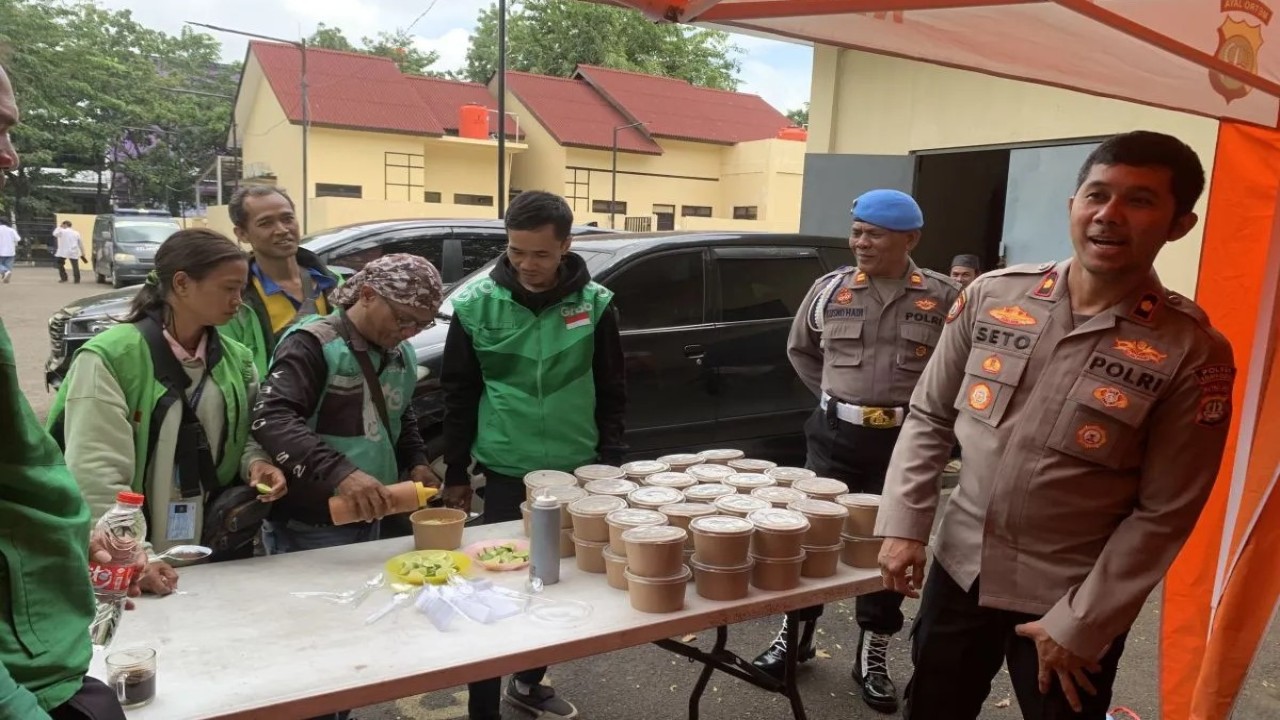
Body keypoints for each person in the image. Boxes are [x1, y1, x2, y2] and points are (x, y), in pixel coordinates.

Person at [877, 131, 1236, 720]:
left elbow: (1166, 509)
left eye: (1140, 201)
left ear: (1180, 224)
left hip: (1068, 597)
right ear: (1073, 205)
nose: (1109, 216)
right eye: (1096, 194)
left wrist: (1084, 621)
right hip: (959, 567)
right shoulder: (994, 297)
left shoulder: (1191, 349)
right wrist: (905, 524)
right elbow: (929, 415)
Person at [752, 188, 960, 714]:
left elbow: (961, 369)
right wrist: (838, 399)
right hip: (834, 436)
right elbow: (801, 350)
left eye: (874, 233)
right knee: (813, 540)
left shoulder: (942, 297)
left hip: (906, 443)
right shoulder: (830, 290)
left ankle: (873, 654)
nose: (861, 243)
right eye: (857, 232)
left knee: (890, 547)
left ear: (909, 238)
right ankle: (793, 638)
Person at [441, 190, 625, 720]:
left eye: (540, 254)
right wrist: (457, 471)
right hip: (505, 471)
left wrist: (611, 459)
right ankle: (483, 706)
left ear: (565, 246)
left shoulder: (595, 305)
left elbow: (614, 388)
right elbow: (458, 393)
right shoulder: (476, 307)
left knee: (552, 583)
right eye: (516, 251)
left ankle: (527, 680)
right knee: (493, 588)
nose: (526, 264)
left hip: (576, 470)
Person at [47, 229, 288, 592]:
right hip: (131, 567)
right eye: (228, 288)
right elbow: (95, 471)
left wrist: (256, 463)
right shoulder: (111, 358)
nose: (239, 300)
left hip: (206, 551)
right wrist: (131, 555)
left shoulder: (237, 360)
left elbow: (248, 433)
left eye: (242, 289)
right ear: (182, 283)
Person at [0, 60, 129, 720]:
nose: (11, 155)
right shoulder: (118, 351)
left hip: (47, 650)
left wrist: (68, 533)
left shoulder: (226, 346)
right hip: (24, 680)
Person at [251, 253, 441, 554]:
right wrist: (342, 473)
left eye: (421, 325)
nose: (408, 333)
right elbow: (273, 417)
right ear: (367, 295)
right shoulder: (311, 345)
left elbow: (398, 412)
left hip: (374, 510)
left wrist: (416, 460)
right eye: (403, 319)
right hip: (314, 522)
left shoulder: (401, 352)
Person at [221, 185, 340, 377]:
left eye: (288, 219)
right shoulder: (235, 299)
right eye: (266, 223)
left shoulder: (332, 282)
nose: (282, 230)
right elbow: (228, 372)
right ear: (242, 234)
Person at [0, 218, 17, 283]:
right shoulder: (11, 230)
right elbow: (18, 239)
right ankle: (6, 276)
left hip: (1, 250)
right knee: (8, 265)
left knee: (3, 267)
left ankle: (6, 272)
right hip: (10, 251)